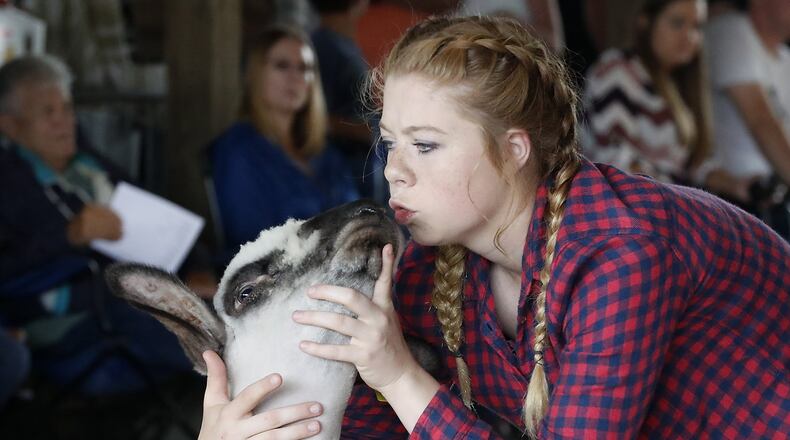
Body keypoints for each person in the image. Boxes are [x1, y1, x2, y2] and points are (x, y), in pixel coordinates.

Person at [197, 15, 790, 439]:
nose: (395, 173)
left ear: (513, 150)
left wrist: (402, 376)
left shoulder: (620, 251)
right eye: (389, 144)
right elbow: (368, 430)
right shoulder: (429, 270)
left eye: (426, 146)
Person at [0, 54, 198, 394]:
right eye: (48, 113)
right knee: (176, 320)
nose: (64, 122)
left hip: (129, 292)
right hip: (69, 311)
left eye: (67, 109)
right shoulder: (8, 182)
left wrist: (196, 269)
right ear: (10, 125)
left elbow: (159, 217)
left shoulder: (89, 165)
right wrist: (69, 235)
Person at [209, 24, 360, 258]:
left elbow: (357, 218)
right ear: (256, 74)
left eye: (305, 68)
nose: (295, 77)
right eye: (282, 66)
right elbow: (252, 239)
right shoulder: (238, 150)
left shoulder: (323, 151)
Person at [582, 0, 753, 203]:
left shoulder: (680, 85)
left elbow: (695, 165)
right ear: (645, 22)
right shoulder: (618, 69)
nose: (689, 37)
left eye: (696, 27)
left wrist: (737, 185)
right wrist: (681, 197)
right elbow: (614, 159)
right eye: (678, 23)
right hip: (618, 210)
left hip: (666, 207)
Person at [704, 0, 790, 235]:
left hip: (774, 202)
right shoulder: (731, 29)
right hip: (734, 203)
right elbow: (760, 121)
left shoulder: (784, 58)